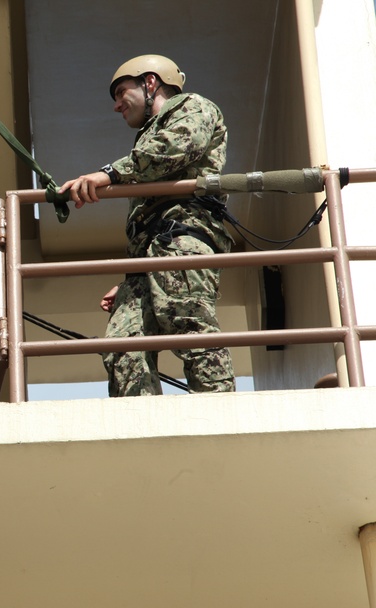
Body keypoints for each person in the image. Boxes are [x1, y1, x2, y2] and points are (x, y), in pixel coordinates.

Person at [59, 54, 236, 397]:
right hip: (149, 258)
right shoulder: (146, 137)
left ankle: (220, 413)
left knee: (187, 322)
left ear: (150, 82)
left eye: (121, 92)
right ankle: (141, 422)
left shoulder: (193, 106)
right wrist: (136, 277)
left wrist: (109, 174)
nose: (116, 106)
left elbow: (174, 149)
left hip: (183, 236)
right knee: (123, 345)